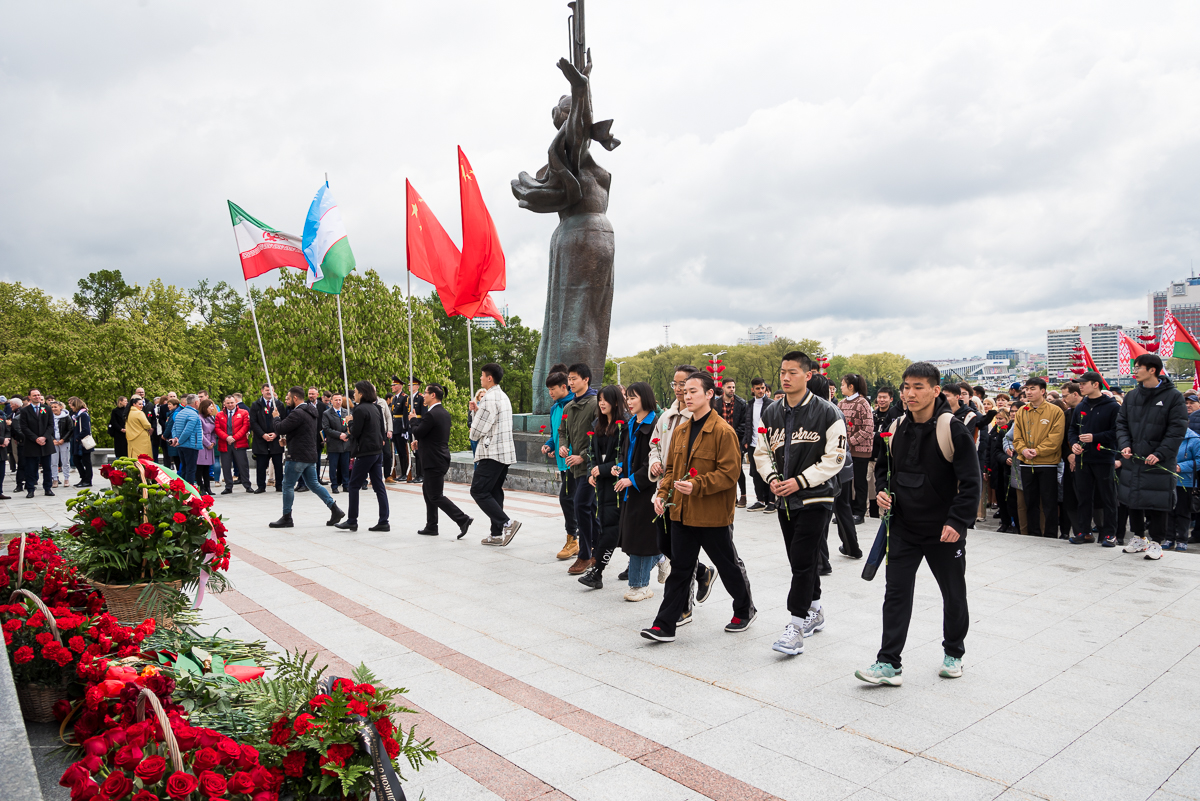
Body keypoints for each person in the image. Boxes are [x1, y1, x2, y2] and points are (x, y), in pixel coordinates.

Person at [856, 362, 980, 686]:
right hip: (903, 529)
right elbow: (884, 468)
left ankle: (954, 652)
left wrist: (958, 521)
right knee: (895, 594)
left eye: (918, 387)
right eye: (906, 387)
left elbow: (971, 481)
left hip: (944, 531)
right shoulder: (896, 426)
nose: (910, 393)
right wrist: (883, 492)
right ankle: (888, 663)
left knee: (953, 593)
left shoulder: (951, 428)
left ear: (936, 390)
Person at [641, 371, 755, 643]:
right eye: (684, 390)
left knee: (727, 565)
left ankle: (744, 609)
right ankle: (664, 624)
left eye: (693, 391)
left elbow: (730, 472)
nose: (687, 395)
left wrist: (698, 485)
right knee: (680, 568)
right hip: (681, 511)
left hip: (712, 514)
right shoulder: (680, 430)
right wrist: (661, 493)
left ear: (709, 395)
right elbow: (670, 470)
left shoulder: (723, 431)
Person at [751, 354, 846, 656]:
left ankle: (796, 625)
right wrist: (771, 478)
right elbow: (762, 452)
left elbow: (836, 459)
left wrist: (801, 481)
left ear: (808, 375)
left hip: (817, 497)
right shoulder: (771, 413)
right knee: (798, 559)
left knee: (804, 559)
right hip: (785, 498)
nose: (786, 377)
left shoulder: (828, 412)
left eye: (793, 372)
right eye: (782, 372)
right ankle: (815, 608)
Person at [647, 364, 716, 627]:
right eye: (676, 385)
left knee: (684, 553)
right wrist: (655, 461)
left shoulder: (701, 417)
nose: (680, 390)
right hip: (666, 490)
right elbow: (654, 445)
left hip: (691, 494)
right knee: (667, 547)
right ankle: (703, 571)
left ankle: (682, 609)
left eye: (685, 384)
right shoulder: (666, 417)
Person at [1117, 354, 1188, 560]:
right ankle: (1139, 538)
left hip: (1158, 461)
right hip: (1134, 459)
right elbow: (1121, 424)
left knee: (1157, 501)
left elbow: (1177, 430)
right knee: (1133, 499)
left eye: (1138, 367)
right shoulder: (1131, 396)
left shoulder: (1173, 396)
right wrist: (1125, 445)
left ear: (1152, 370)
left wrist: (1160, 453)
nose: (1135, 370)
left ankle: (1157, 542)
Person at [267, 387, 345, 529]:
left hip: (297, 455)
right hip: (309, 454)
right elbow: (300, 432)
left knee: (288, 485)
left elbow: (280, 428)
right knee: (314, 485)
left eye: (289, 398)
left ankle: (287, 517)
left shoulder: (298, 413)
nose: (288, 401)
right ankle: (335, 509)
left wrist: (276, 417)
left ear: (295, 398)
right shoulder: (311, 411)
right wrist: (288, 440)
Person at [578, 385, 630, 589]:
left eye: (605, 399)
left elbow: (625, 458)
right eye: (599, 399)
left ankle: (597, 572)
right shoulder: (597, 425)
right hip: (602, 485)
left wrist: (604, 469)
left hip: (618, 486)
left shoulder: (625, 426)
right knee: (611, 529)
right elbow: (591, 452)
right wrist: (592, 471)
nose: (601, 403)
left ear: (616, 401)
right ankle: (655, 559)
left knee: (610, 529)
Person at [616, 382, 662, 602]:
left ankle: (639, 585)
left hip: (647, 488)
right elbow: (628, 455)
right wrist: (619, 469)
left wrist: (632, 479)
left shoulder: (656, 424)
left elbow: (653, 461)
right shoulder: (631, 423)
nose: (629, 402)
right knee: (635, 536)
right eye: (628, 398)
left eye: (633, 397)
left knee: (641, 539)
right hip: (630, 488)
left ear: (645, 398)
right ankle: (662, 558)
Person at [411, 383, 472, 538]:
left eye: (425, 393)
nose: (423, 395)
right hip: (437, 457)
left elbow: (418, 431)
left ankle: (462, 519)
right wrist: (421, 443)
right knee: (428, 491)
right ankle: (432, 526)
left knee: (436, 495)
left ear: (433, 395)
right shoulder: (443, 412)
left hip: (434, 460)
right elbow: (434, 435)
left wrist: (412, 420)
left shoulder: (431, 414)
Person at [1067, 372, 1119, 546]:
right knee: (1083, 497)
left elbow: (1116, 432)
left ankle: (1110, 534)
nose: (1080, 386)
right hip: (1083, 459)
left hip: (1103, 457)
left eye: (1083, 383)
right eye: (1079, 384)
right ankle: (1084, 532)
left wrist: (1095, 437)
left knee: (1108, 497)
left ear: (1096, 384)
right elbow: (1073, 430)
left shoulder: (1112, 406)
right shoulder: (1081, 405)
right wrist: (1074, 444)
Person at [470, 363, 520, 545]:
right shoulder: (503, 396)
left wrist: (475, 416)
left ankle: (507, 523)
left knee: (478, 490)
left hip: (491, 452)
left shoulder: (489, 399)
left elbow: (475, 432)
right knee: (494, 491)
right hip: (504, 453)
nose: (481, 379)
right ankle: (496, 534)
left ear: (489, 378)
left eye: (482, 376)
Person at [1012, 378, 1065, 539]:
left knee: (1049, 502)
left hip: (1048, 463)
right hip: (1027, 463)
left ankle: (1050, 534)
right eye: (1027, 388)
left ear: (1042, 391)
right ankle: (1033, 533)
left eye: (1032, 388)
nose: (1028, 392)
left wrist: (1037, 451)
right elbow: (1017, 436)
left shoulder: (1055, 411)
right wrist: (1023, 450)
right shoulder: (1022, 411)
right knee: (1030, 502)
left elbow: (1055, 439)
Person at [335, 380, 389, 532]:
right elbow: (381, 429)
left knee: (353, 485)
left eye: (356, 391)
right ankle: (384, 520)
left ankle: (352, 520)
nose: (354, 394)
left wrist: (349, 423)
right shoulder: (376, 408)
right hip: (377, 451)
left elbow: (356, 432)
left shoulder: (359, 410)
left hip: (365, 452)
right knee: (379, 486)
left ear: (362, 394)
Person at [560, 363, 599, 568]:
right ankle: (600, 549)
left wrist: (582, 456)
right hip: (574, 467)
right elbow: (562, 431)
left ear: (586, 380)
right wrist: (563, 447)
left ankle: (585, 555)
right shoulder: (568, 406)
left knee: (580, 505)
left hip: (590, 467)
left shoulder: (595, 404)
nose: (570, 382)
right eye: (569, 378)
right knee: (590, 508)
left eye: (574, 378)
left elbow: (599, 437)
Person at [541, 365, 579, 560]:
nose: (550, 393)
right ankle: (577, 537)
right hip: (562, 462)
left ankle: (574, 538)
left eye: (553, 389)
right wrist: (549, 445)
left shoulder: (572, 405)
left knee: (568, 498)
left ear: (565, 387)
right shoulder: (555, 407)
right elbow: (555, 432)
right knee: (570, 499)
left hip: (574, 461)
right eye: (548, 390)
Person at [838, 374, 874, 524]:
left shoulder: (863, 403)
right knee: (844, 481)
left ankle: (859, 512)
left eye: (843, 384)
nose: (841, 387)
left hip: (860, 450)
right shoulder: (840, 404)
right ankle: (846, 511)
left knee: (859, 482)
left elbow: (868, 428)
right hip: (844, 450)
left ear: (851, 386)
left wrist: (850, 442)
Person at [712, 378, 748, 507]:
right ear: (723, 388)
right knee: (723, 468)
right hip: (720, 440)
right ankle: (733, 496)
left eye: (733, 387)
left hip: (736, 440)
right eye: (729, 387)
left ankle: (743, 495)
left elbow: (744, 423)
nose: (732, 390)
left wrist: (734, 436)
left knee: (738, 468)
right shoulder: (716, 404)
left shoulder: (741, 403)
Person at [1164, 425, 1200, 552]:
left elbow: (1199, 460)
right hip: (1168, 480)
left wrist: (1181, 467)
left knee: (1183, 512)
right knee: (1169, 511)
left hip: (1186, 482)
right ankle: (1169, 538)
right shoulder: (1168, 436)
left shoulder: (1195, 440)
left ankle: (1182, 540)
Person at [869, 387, 904, 518]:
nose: (882, 400)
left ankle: (883, 515)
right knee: (872, 488)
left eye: (885, 397)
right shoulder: (878, 414)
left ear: (891, 399)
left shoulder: (898, 413)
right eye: (880, 397)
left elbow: (885, 435)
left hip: (890, 456)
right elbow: (884, 433)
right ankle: (868, 514)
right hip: (872, 455)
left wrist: (876, 435)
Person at [743, 377, 774, 511]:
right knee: (755, 473)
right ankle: (760, 500)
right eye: (758, 388)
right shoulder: (749, 405)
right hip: (753, 444)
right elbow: (747, 424)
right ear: (753, 390)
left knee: (770, 471)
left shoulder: (771, 404)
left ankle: (772, 501)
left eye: (763, 388)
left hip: (767, 444)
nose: (761, 391)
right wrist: (746, 440)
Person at [19, 389, 55, 497]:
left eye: (38, 395)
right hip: (32, 443)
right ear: (29, 397)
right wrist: (35, 438)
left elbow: (51, 425)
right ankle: (30, 489)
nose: (37, 397)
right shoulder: (25, 411)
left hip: (45, 443)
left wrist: (44, 437)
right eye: (34, 395)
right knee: (31, 468)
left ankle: (47, 488)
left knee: (47, 467)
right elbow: (24, 427)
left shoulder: (47, 409)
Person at [250, 385, 285, 493]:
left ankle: (279, 485)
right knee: (261, 465)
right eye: (266, 390)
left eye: (271, 390)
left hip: (275, 440)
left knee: (278, 465)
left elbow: (283, 421)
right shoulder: (256, 405)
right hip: (261, 440)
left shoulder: (279, 404)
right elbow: (253, 422)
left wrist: (276, 433)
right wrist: (263, 434)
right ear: (262, 391)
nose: (268, 392)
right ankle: (261, 486)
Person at [214, 396, 253, 495]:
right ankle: (228, 486)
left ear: (235, 402)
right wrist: (227, 437)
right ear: (224, 403)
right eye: (228, 403)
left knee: (243, 465)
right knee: (226, 466)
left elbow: (245, 427)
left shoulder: (243, 413)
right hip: (224, 443)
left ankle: (247, 485)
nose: (230, 405)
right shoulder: (219, 415)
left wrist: (235, 437)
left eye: (232, 402)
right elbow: (217, 429)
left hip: (239, 443)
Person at [322, 393, 351, 494]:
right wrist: (339, 435)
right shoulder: (327, 413)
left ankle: (346, 484)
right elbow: (326, 428)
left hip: (345, 444)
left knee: (345, 466)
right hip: (334, 444)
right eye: (336, 400)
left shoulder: (346, 412)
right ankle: (334, 485)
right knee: (333, 466)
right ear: (331, 401)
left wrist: (347, 434)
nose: (338, 402)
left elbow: (350, 426)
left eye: (339, 400)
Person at [172, 395, 203, 485]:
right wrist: (180, 441)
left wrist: (175, 439)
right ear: (196, 402)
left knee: (184, 468)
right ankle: (189, 491)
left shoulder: (180, 413)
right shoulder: (193, 414)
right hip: (191, 444)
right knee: (191, 469)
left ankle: (182, 489)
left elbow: (174, 428)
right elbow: (187, 431)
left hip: (181, 446)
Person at [66, 397, 93, 489]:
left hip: (83, 442)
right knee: (76, 460)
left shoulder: (83, 415)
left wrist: (78, 437)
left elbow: (86, 429)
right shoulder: (77, 415)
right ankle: (83, 477)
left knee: (86, 461)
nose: (71, 407)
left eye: (72, 405)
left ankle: (87, 479)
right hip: (78, 441)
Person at [388, 377, 410, 482]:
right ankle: (401, 472)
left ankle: (405, 473)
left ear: (400, 386)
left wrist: (405, 429)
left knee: (402, 452)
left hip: (401, 427)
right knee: (396, 451)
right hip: (394, 427)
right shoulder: (394, 398)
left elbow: (405, 414)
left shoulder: (404, 397)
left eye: (394, 385)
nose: (392, 387)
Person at [195, 399, 217, 494]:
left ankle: (208, 488)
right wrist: (208, 443)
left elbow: (213, 432)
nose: (212, 408)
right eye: (210, 406)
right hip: (202, 445)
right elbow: (200, 433)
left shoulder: (211, 418)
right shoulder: (199, 418)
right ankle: (201, 488)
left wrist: (213, 442)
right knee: (200, 468)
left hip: (209, 445)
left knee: (207, 468)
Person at [49, 401, 74, 487]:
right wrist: (52, 439)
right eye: (52, 407)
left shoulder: (66, 417)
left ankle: (66, 478)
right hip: (54, 442)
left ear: (60, 407)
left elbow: (70, 429)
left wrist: (63, 439)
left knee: (65, 460)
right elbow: (47, 429)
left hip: (64, 441)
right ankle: (55, 479)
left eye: (55, 407)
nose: (53, 409)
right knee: (54, 461)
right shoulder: (50, 417)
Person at [408, 377, 426, 482]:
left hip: (418, 426)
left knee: (419, 451)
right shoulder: (409, 398)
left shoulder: (421, 398)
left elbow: (424, 414)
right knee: (415, 451)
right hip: (412, 426)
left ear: (417, 386)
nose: (409, 387)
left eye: (412, 385)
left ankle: (421, 475)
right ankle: (418, 474)